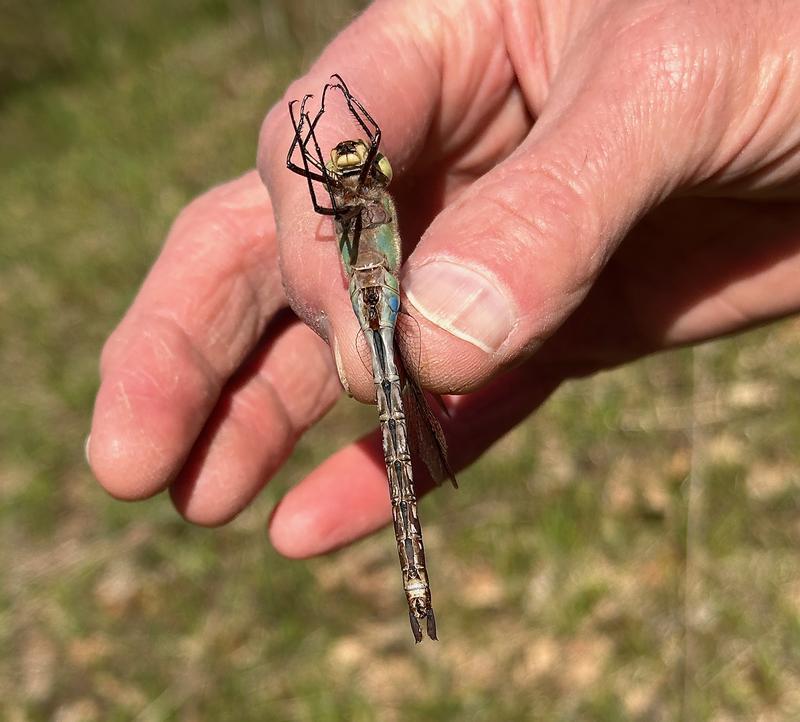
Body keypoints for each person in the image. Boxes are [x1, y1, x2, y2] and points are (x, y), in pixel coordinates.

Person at [88, 0, 800, 558]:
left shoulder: (360, 192)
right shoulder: (344, 193)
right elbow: (312, 169)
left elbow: (324, 163)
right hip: (376, 309)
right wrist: (313, 123)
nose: (349, 169)